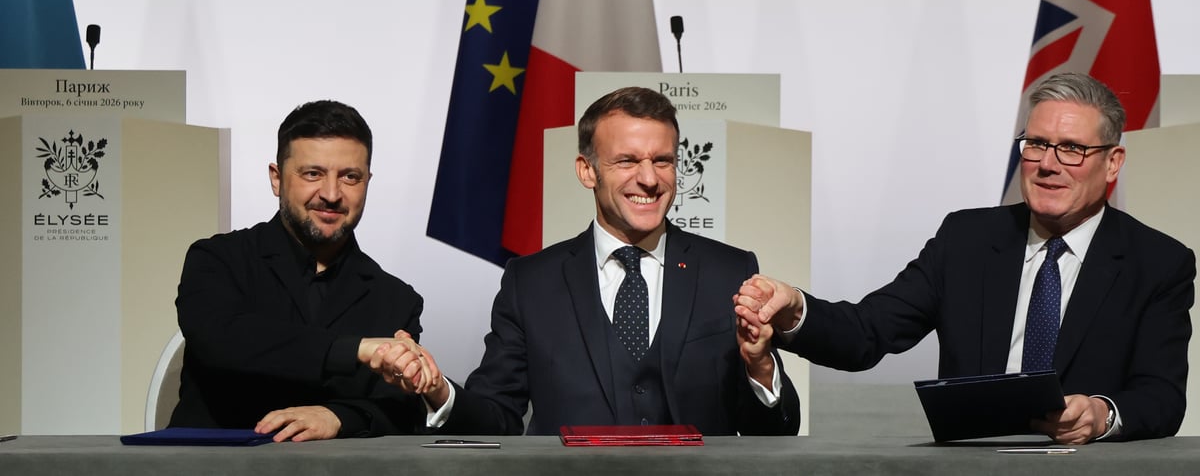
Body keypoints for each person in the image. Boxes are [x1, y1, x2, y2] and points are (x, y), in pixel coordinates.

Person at [735, 72, 1195, 443]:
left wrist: (1102, 413)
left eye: (1071, 149)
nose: (1048, 163)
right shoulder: (967, 239)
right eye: (1035, 144)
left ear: (1113, 162)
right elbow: (866, 333)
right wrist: (797, 306)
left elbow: (1162, 397)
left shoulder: (1157, 263)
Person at [374, 86, 800, 436]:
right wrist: (438, 392)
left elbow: (775, 433)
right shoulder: (531, 282)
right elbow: (496, 417)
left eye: (663, 161)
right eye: (628, 161)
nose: (649, 179)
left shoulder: (729, 271)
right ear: (587, 171)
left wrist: (762, 367)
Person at [170, 100, 431, 441]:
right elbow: (223, 342)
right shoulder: (217, 260)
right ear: (277, 179)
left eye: (350, 177)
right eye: (313, 174)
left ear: (367, 182)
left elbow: (402, 409)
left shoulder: (397, 300)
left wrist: (339, 416)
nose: (332, 194)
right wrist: (354, 350)